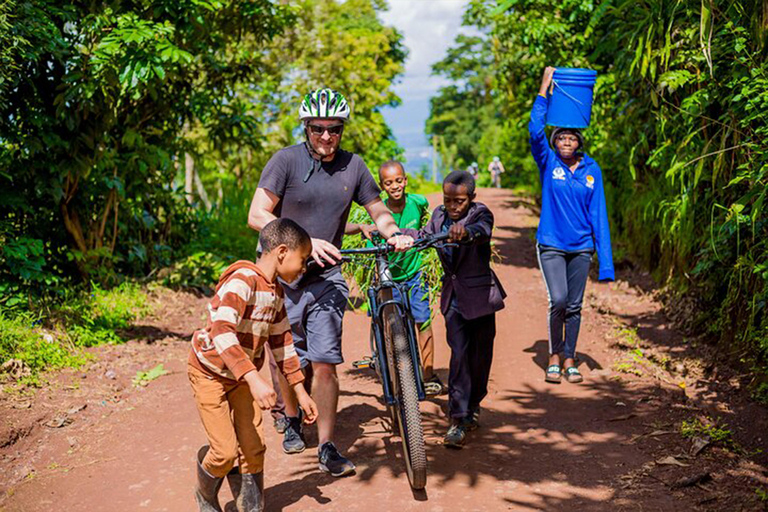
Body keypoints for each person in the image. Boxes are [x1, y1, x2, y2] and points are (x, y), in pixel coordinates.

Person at [247, 88, 414, 477]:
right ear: (306, 127)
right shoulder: (285, 161)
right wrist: (302, 242)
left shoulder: (353, 167)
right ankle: (289, 416)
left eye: (334, 129)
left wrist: (392, 233)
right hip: (282, 278)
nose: (326, 136)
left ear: (342, 129)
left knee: (324, 363)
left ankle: (326, 444)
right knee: (285, 356)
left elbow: (378, 211)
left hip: (326, 279)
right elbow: (257, 214)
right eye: (318, 128)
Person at [188, 218, 319, 512]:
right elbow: (222, 330)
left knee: (253, 446)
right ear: (282, 252)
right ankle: (205, 494)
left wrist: (300, 392)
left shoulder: (276, 292)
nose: (304, 267)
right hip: (209, 371)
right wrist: (254, 378)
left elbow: (282, 343)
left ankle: (251, 506)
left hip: (240, 377)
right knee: (223, 452)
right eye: (303, 259)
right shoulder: (242, 280)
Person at [402, 170, 506, 449]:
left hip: (481, 298)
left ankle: (473, 405)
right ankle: (457, 419)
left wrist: (466, 233)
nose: (453, 207)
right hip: (453, 300)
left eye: (459, 201)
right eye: (448, 200)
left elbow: (481, 232)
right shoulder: (438, 216)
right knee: (459, 356)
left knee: (481, 357)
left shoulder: (480, 214)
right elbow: (424, 234)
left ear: (471, 198)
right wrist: (399, 236)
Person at [530, 67, 615, 385]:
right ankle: (553, 356)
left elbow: (599, 216)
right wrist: (544, 89)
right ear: (555, 142)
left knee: (576, 305)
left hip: (582, 246)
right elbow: (536, 131)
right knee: (560, 300)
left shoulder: (592, 170)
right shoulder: (548, 162)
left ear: (578, 141)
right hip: (552, 243)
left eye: (571, 137)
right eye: (561, 137)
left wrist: (605, 262)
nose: (566, 141)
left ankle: (569, 358)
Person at [347, 160, 443, 395]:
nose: (395, 186)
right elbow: (370, 237)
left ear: (406, 180)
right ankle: (386, 359)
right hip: (387, 277)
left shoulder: (418, 202)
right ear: (382, 187)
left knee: (423, 321)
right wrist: (364, 233)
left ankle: (428, 374)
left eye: (399, 181)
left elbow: (425, 220)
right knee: (384, 318)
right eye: (389, 183)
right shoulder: (378, 213)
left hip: (414, 272)